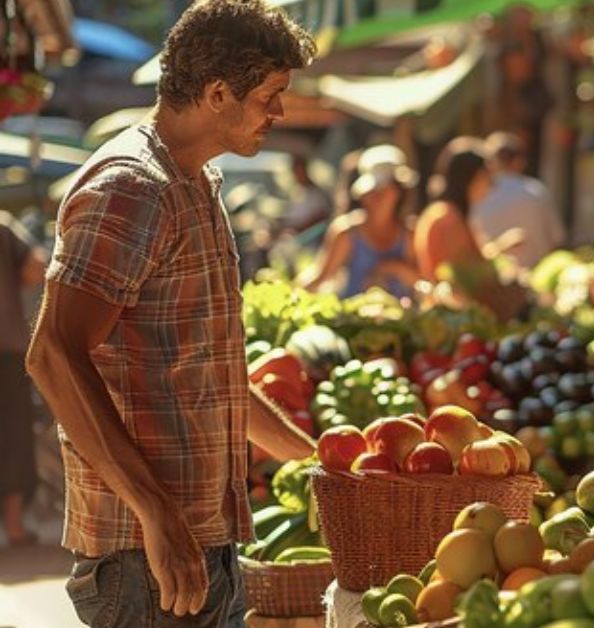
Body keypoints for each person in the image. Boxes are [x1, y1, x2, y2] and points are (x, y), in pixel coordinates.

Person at [24, 1, 318, 624]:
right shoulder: (131, 187)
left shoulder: (196, 178)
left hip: (205, 543)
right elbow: (52, 354)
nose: (280, 112)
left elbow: (209, 374)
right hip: (145, 560)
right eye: (271, 95)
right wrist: (158, 516)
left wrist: (312, 457)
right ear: (217, 93)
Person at [414, 136, 527, 321]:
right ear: (469, 178)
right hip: (452, 318)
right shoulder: (446, 218)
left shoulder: (450, 214)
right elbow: (463, 274)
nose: (490, 186)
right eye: (486, 177)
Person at [301, 144, 422, 299]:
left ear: (397, 192)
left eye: (382, 191)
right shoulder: (347, 232)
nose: (374, 198)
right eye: (371, 192)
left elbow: (424, 281)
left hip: (401, 321)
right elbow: (322, 278)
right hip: (354, 321)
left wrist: (392, 268)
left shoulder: (410, 234)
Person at [0, 211, 45, 548]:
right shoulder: (3, 227)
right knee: (13, 434)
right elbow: (35, 268)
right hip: (5, 347)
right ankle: (14, 526)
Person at [472, 131, 565, 269]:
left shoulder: (478, 196)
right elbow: (556, 240)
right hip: (536, 275)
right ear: (519, 162)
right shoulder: (537, 191)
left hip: (492, 277)